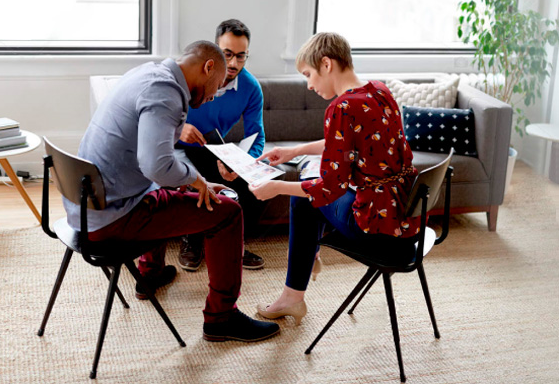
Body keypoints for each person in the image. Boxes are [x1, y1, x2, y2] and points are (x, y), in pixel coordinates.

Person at [63, 40, 280, 343]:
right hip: (110, 219)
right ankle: (221, 318)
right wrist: (198, 181)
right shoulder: (165, 94)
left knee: (166, 189)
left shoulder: (147, 74)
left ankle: (150, 273)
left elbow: (146, 131)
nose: (212, 96)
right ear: (207, 68)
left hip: (86, 206)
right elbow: (156, 165)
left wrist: (183, 162)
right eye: (216, 85)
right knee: (228, 212)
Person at [249, 32, 418, 324]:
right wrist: (295, 151)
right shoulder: (378, 90)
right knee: (308, 179)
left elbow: (329, 188)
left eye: (309, 74)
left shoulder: (341, 107)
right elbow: (344, 143)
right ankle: (308, 257)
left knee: (303, 196)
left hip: (378, 230)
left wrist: (276, 187)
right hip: (405, 218)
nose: (309, 85)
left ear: (326, 64)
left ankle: (294, 292)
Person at [177, 19, 267, 271]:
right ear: (215, 49)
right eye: (227, 54)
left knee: (258, 179)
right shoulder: (191, 74)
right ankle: (191, 241)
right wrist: (179, 128)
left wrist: (242, 163)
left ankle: (232, 243)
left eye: (241, 56)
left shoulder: (250, 88)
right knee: (192, 174)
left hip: (213, 149)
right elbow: (158, 118)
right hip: (178, 145)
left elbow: (256, 135)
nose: (234, 64)